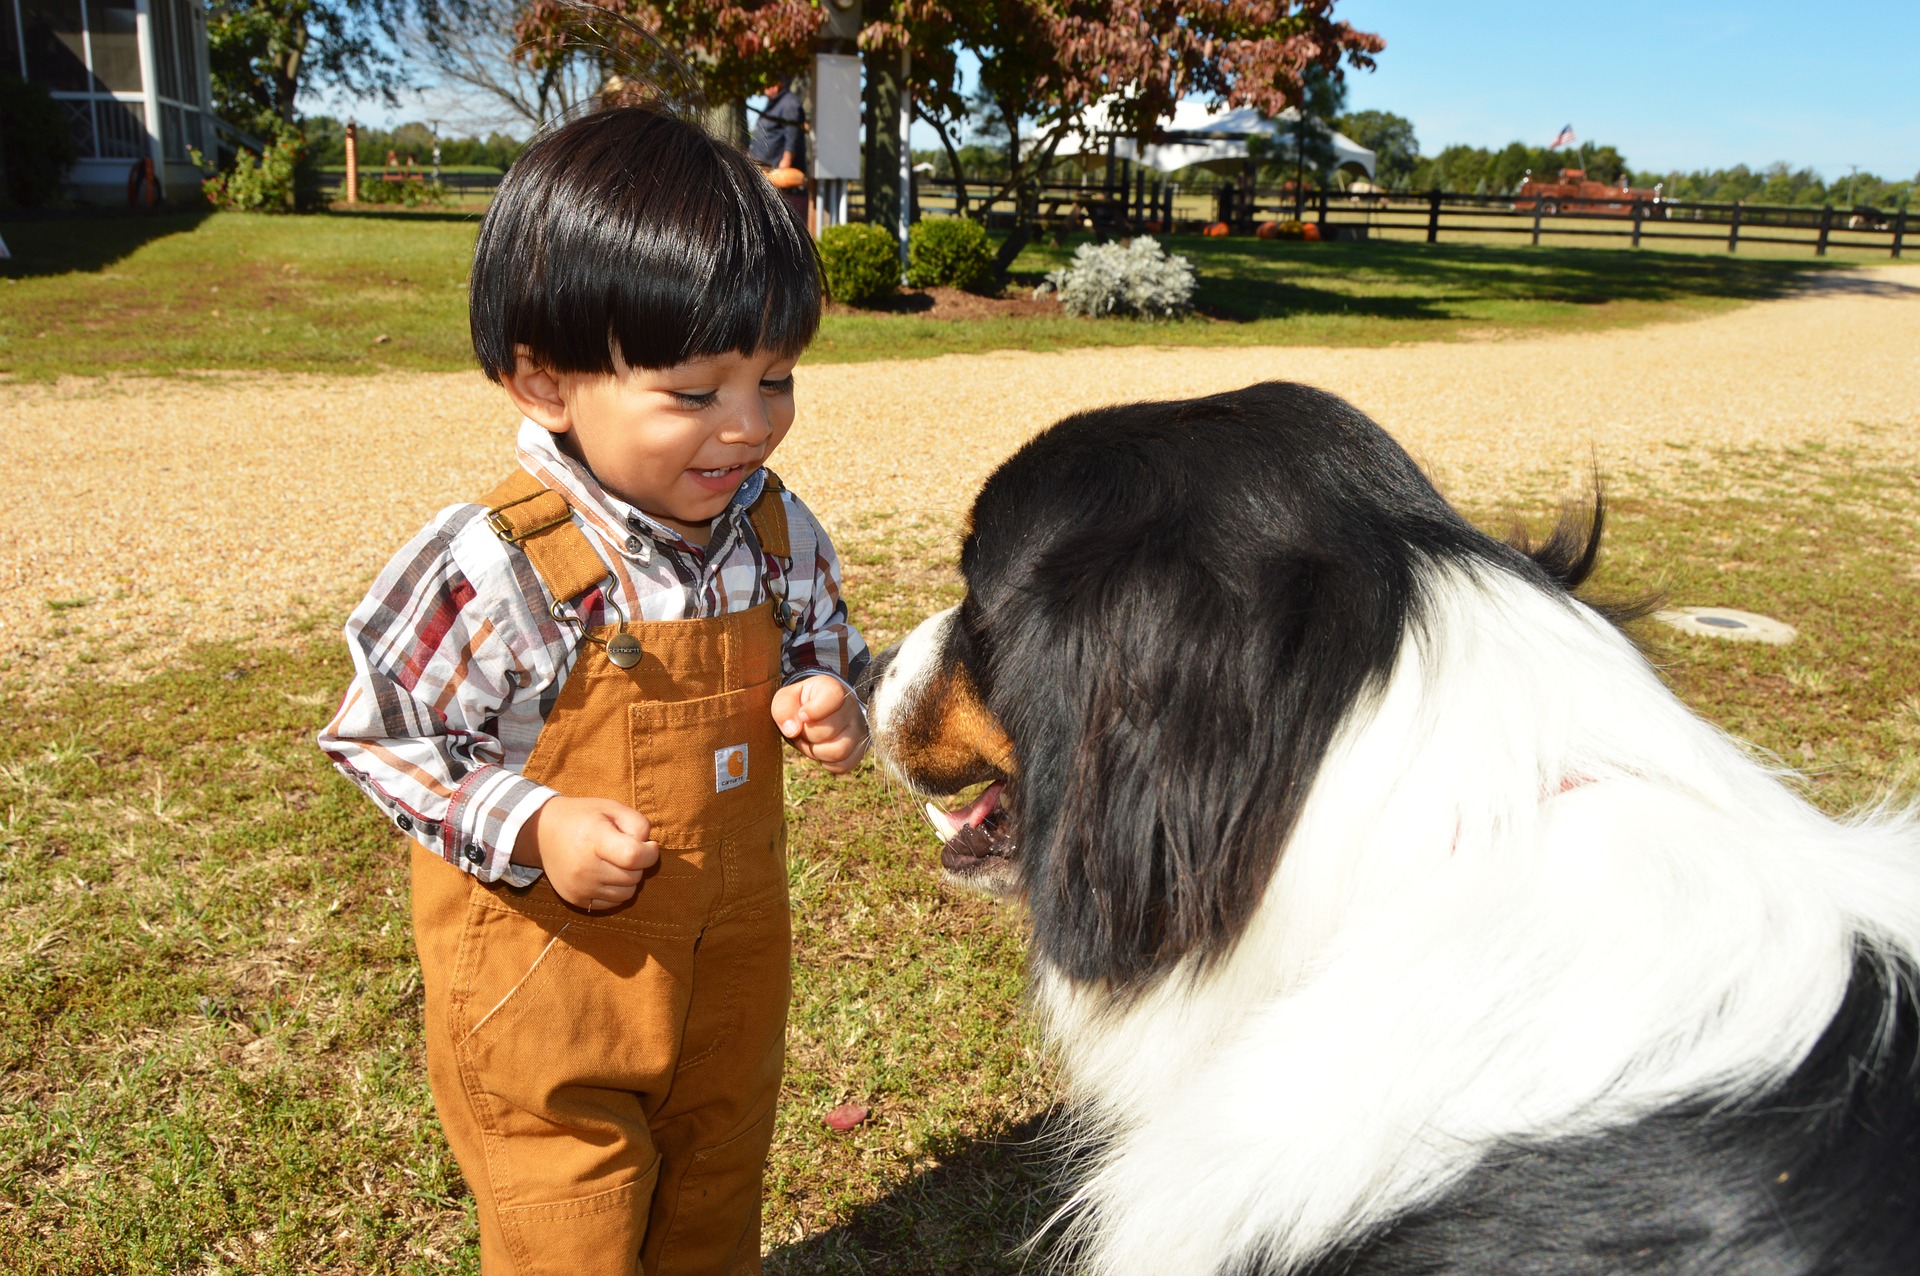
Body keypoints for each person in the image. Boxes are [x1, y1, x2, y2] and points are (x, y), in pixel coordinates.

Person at [318, 103, 869, 1275]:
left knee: (718, 1176)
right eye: (693, 393)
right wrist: (538, 819)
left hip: (728, 967)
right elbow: (381, 732)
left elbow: (829, 642)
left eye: (774, 379)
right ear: (542, 380)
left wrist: (829, 698)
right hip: (545, 991)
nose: (748, 426)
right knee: (573, 1217)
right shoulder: (500, 560)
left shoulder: (774, 530)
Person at [747, 78, 808, 222]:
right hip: (766, 175)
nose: (766, 88)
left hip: (782, 182)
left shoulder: (789, 103)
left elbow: (792, 138)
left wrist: (784, 166)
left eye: (770, 82)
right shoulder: (772, 104)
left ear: (779, 82)